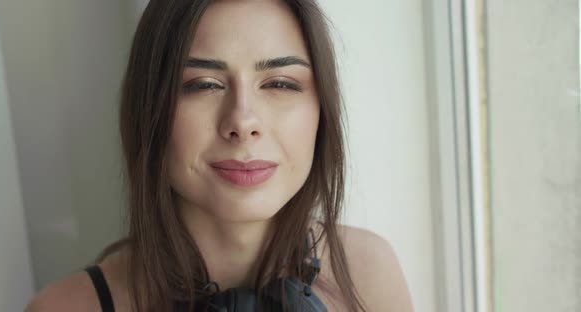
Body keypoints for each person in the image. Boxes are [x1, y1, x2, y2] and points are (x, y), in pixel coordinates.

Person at [25, 0, 413, 311]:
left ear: (321, 111)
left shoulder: (369, 271)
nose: (243, 121)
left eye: (280, 83)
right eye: (204, 85)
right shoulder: (63, 307)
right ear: (150, 112)